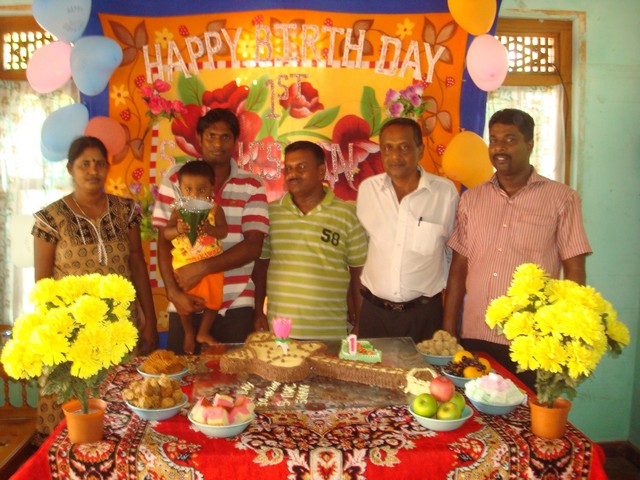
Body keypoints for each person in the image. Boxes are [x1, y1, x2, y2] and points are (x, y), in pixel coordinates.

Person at [442, 108, 592, 388]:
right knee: (473, 407)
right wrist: (449, 329)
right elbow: (459, 266)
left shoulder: (562, 199)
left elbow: (574, 271)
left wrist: (566, 333)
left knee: (528, 409)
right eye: (494, 140)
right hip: (476, 332)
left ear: (530, 144)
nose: (499, 148)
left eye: (510, 140)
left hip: (532, 341)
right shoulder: (471, 200)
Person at [32, 135, 158, 440]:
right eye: (84, 164)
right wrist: (48, 338)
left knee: (121, 411)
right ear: (70, 169)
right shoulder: (50, 219)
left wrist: (150, 320)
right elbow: (43, 284)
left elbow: (137, 262)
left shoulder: (126, 211)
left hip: (119, 329)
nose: (93, 170)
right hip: (70, 333)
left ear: (107, 167)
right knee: (72, 416)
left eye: (99, 163)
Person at [153, 108, 269, 353]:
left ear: (235, 141)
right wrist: (173, 293)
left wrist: (202, 268)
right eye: (211, 136)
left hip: (237, 301)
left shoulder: (252, 184)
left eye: (225, 137)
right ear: (199, 139)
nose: (218, 144)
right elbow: (163, 240)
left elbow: (253, 246)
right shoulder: (176, 178)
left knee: (234, 375)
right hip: (185, 297)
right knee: (181, 372)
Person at [356, 118, 459, 344]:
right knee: (369, 368)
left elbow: (453, 255)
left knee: (424, 369)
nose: (395, 156)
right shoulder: (368, 191)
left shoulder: (444, 194)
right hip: (374, 315)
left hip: (424, 316)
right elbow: (362, 250)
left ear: (419, 150)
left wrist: (450, 323)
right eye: (388, 148)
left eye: (404, 147)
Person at [253, 141, 368, 339]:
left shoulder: (348, 214)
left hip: (330, 333)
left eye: (301, 167)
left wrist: (360, 323)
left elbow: (359, 272)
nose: (293, 174)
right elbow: (261, 267)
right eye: (288, 168)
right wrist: (257, 312)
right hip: (280, 333)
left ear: (321, 171)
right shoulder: (271, 213)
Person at [163, 160, 228, 354]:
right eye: (188, 189)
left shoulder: (215, 209)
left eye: (201, 189)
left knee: (214, 300)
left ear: (211, 188)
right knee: (184, 304)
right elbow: (166, 234)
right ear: (180, 189)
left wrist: (210, 229)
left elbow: (223, 231)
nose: (194, 195)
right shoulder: (178, 210)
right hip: (184, 265)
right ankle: (189, 332)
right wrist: (177, 229)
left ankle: (203, 332)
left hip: (211, 265)